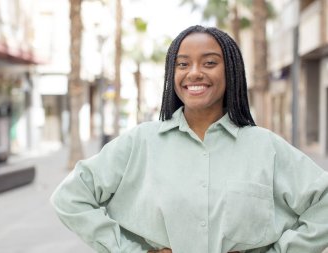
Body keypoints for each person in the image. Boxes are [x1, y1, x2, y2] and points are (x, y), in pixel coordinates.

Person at [51, 25, 328, 253]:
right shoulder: (140, 142)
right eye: (183, 64)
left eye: (209, 63)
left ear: (230, 71)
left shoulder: (265, 147)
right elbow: (70, 197)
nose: (194, 72)